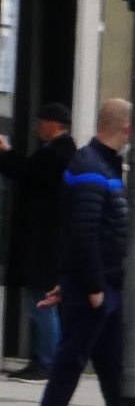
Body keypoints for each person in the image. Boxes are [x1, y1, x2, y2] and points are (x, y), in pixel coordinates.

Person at [24, 99, 133, 406]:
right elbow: (83, 232)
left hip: (101, 287)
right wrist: (89, 287)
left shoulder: (101, 166)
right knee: (69, 369)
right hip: (97, 290)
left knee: (113, 375)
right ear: (127, 128)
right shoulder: (91, 168)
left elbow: (90, 232)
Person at [0, 102, 74, 379]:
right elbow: (27, 170)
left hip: (45, 242)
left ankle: (46, 360)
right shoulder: (57, 152)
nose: (36, 127)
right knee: (41, 299)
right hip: (47, 240)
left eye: (41, 122)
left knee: (41, 301)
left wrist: (4, 154)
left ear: (55, 124)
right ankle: (43, 359)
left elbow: (25, 172)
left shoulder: (57, 154)